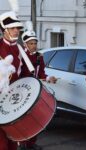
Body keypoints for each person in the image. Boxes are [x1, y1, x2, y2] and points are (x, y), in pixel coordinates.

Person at [19, 21, 57, 150]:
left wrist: (48, 78)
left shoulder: (39, 57)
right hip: (22, 91)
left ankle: (31, 143)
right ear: (25, 44)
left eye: (35, 43)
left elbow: (41, 74)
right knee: (22, 119)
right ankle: (21, 143)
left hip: (35, 91)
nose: (34, 46)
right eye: (31, 43)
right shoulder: (20, 57)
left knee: (35, 117)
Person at [0, 10, 24, 150]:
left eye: (18, 28)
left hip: (14, 99)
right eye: (12, 28)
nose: (16, 31)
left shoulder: (20, 49)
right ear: (4, 30)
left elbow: (26, 74)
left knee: (13, 140)